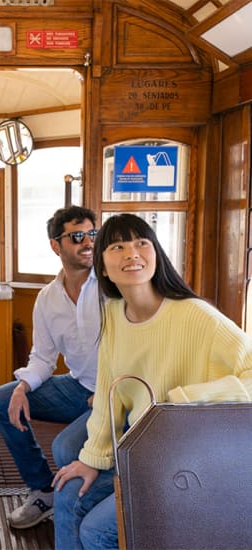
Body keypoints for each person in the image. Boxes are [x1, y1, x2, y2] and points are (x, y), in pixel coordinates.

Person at [52, 213, 252, 549]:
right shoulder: (115, 313)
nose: (132, 253)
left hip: (191, 457)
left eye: (141, 243)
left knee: (95, 532)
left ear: (156, 254)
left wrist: (184, 399)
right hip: (143, 449)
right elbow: (108, 395)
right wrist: (92, 459)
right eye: (118, 246)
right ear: (102, 266)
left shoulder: (195, 316)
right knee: (68, 495)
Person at [0, 206, 101, 529]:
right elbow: (43, 359)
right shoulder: (48, 298)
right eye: (77, 236)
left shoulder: (112, 287)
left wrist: (107, 395)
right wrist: (22, 387)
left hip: (113, 394)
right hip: (78, 388)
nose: (88, 242)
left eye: (92, 234)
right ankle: (43, 490)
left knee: (63, 448)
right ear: (56, 245)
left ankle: (90, 503)